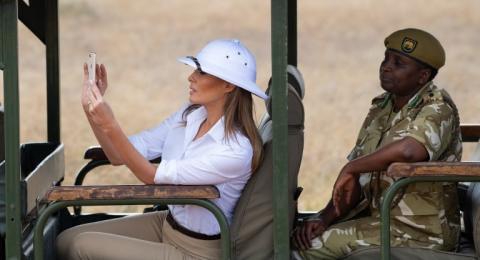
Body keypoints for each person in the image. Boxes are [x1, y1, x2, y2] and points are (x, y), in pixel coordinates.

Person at [56, 39, 267, 260]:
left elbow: (150, 176)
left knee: (80, 247)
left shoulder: (236, 150)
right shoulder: (190, 114)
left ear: (228, 85)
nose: (191, 77)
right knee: (65, 240)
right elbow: (118, 155)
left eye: (202, 72)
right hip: (167, 224)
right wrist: (91, 111)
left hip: (198, 252)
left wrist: (110, 124)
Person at [293, 28, 462, 259]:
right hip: (380, 218)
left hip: (422, 233)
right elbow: (357, 179)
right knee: (302, 237)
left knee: (305, 251)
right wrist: (324, 218)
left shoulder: (438, 108)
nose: (386, 66)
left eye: (399, 63)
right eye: (386, 58)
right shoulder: (382, 106)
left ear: (422, 76)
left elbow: (410, 150)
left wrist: (351, 168)